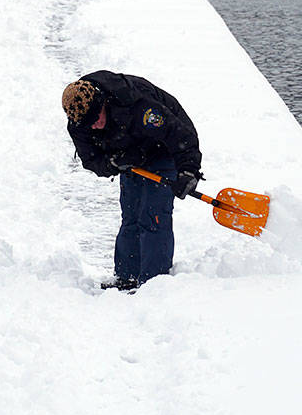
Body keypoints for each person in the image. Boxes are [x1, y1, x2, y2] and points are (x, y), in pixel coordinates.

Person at [62, 70, 202, 291]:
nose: (95, 126)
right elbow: (91, 160)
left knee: (153, 216)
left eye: (97, 119)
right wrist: (113, 163)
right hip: (128, 154)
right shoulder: (80, 122)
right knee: (132, 214)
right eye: (89, 125)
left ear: (103, 105)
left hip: (165, 148)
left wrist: (188, 171)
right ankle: (126, 278)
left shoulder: (137, 105)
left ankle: (154, 285)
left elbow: (179, 135)